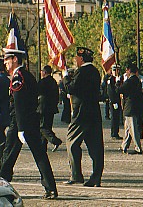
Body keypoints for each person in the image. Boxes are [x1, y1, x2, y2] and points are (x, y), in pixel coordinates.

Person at [0, 48, 58, 200]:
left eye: (7, 59)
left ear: (15, 60)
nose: (5, 63)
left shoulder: (18, 76)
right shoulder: (27, 75)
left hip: (20, 122)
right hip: (31, 120)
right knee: (39, 155)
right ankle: (50, 188)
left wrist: (20, 128)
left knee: (8, 156)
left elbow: (18, 103)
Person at [63, 47, 104, 187]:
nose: (76, 60)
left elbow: (71, 88)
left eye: (77, 58)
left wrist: (65, 77)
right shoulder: (95, 71)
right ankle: (96, 177)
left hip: (81, 113)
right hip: (94, 112)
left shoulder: (81, 72)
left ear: (81, 59)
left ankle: (76, 174)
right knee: (95, 146)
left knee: (71, 141)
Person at [117, 64, 143, 155]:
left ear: (128, 70)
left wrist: (117, 82)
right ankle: (124, 146)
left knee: (133, 128)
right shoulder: (137, 81)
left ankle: (138, 147)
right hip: (134, 106)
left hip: (130, 106)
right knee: (128, 128)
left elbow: (119, 90)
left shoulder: (129, 81)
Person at [37, 65, 62, 152]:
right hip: (51, 108)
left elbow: (38, 92)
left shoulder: (43, 82)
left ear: (44, 72)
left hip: (43, 107)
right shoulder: (53, 82)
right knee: (47, 126)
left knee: (42, 127)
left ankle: (54, 140)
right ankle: (42, 145)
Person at [105, 64, 123, 140]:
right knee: (114, 117)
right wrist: (113, 101)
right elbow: (110, 91)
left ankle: (116, 132)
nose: (116, 72)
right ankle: (113, 133)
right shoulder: (110, 79)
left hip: (119, 100)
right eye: (114, 70)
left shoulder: (119, 78)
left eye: (117, 70)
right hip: (113, 101)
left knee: (117, 117)